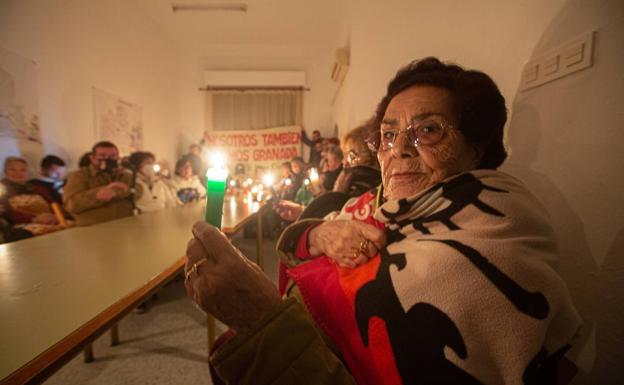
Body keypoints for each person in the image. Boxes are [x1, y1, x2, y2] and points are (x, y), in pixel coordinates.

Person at [183, 57, 581, 385]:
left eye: (428, 130)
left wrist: (258, 319)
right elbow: (297, 239)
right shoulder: (389, 201)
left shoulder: (487, 245)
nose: (401, 150)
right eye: (388, 136)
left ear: (476, 148)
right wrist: (321, 233)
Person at [63, 141, 137, 226]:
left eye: (113, 156)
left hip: (124, 227)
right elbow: (71, 205)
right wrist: (97, 194)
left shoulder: (124, 174)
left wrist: (117, 191)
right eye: (102, 155)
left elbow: (137, 190)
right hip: (93, 230)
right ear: (92, 158)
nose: (108, 159)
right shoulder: (79, 176)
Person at [1, 157, 61, 242]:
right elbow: (8, 214)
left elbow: (53, 204)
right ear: (5, 171)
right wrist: (35, 218)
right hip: (21, 227)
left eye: (22, 170)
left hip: (50, 221)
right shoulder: (2, 190)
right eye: (12, 169)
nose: (17, 173)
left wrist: (56, 216)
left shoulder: (37, 188)